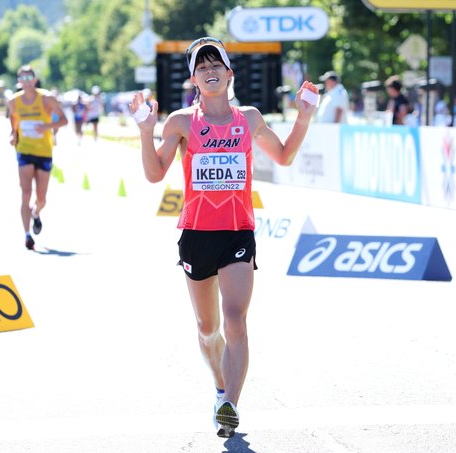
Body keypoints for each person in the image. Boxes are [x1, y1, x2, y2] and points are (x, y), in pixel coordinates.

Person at [130, 36, 317, 438]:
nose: (210, 71)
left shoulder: (248, 118)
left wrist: (303, 118)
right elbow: (154, 174)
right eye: (201, 67)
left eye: (216, 64)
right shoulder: (181, 122)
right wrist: (146, 132)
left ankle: (230, 404)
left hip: (237, 232)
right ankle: (219, 388)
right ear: (193, 80)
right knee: (207, 329)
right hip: (197, 235)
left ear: (230, 73)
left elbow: (284, 155)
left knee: (235, 320)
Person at [8, 65, 68, 250]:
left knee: (41, 199)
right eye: (22, 79)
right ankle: (27, 235)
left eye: (29, 78)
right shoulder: (14, 101)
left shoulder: (47, 98)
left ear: (34, 80)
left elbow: (64, 120)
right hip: (24, 151)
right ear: (19, 81)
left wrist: (47, 126)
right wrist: (13, 135)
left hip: (44, 152)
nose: (26, 82)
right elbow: (14, 122)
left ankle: (36, 212)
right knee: (25, 193)